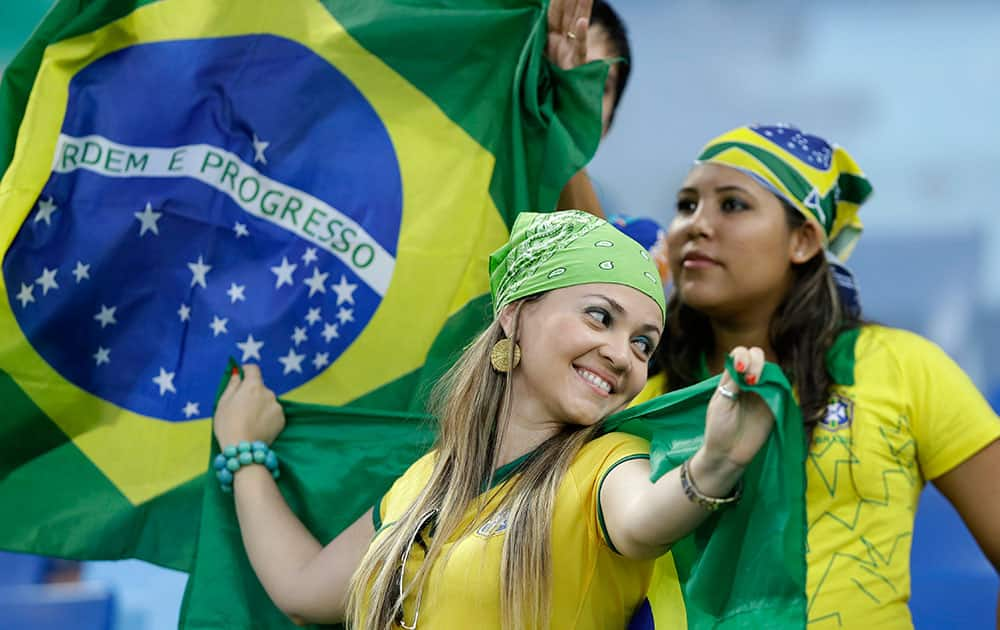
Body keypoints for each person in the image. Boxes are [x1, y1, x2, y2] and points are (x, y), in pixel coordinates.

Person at [212, 209, 777, 629]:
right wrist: (244, 453)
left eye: (642, 343)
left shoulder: (609, 464)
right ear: (515, 315)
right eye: (599, 316)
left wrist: (714, 464)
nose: (621, 354)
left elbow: (644, 520)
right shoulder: (423, 483)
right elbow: (302, 589)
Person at [633, 123, 1000, 629]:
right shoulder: (642, 399)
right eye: (686, 204)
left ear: (804, 239)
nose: (696, 224)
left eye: (733, 205)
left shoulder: (903, 367)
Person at [553, 0, 633, 217]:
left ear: (607, 126)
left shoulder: (633, 239)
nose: (572, 93)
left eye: (597, 84)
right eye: (552, 68)